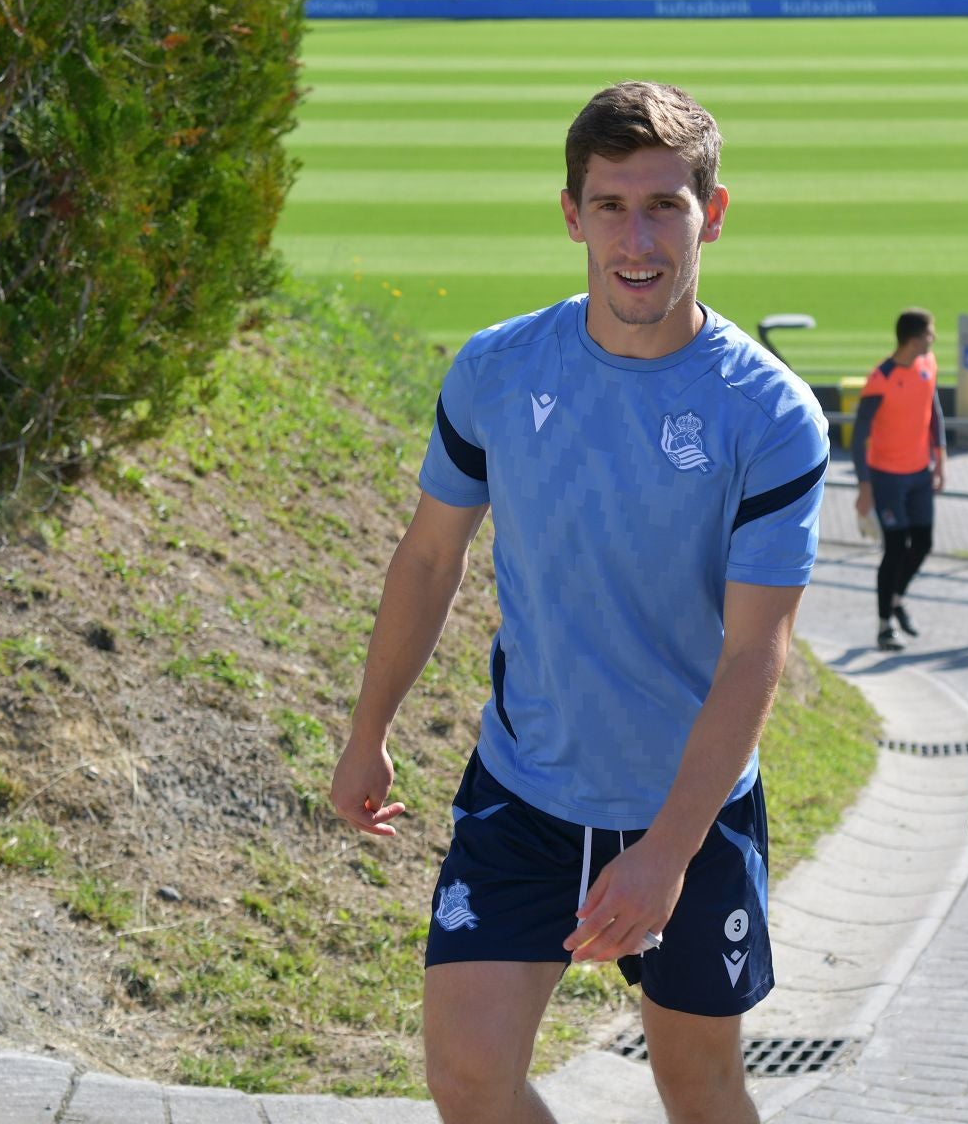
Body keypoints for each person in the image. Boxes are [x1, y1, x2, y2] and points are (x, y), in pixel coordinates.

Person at [329, 81, 829, 1124]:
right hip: (525, 792)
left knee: (697, 1086)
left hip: (688, 805)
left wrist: (666, 852)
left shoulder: (768, 414)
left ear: (714, 212)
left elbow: (754, 654)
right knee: (467, 1075)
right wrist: (367, 728)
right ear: (572, 215)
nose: (637, 237)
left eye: (664, 205)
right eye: (611, 205)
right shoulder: (500, 369)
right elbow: (427, 560)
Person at [850, 308, 945, 652]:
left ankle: (897, 598)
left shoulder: (928, 364)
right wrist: (864, 487)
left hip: (920, 472)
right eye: (930, 333)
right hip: (887, 477)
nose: (933, 339)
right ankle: (884, 626)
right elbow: (859, 436)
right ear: (914, 338)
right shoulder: (881, 378)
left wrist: (941, 457)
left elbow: (932, 410)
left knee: (922, 544)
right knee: (894, 548)